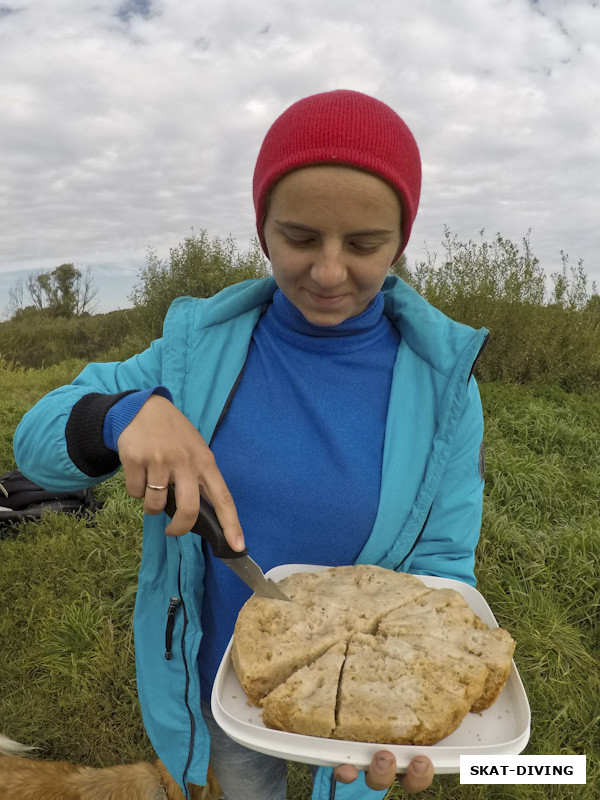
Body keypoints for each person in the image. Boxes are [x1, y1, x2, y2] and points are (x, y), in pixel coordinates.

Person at [13, 89, 489, 800]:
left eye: (363, 245)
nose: (329, 272)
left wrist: (421, 690)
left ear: (402, 239)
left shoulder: (446, 389)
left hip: (368, 708)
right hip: (222, 689)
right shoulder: (192, 353)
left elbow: (444, 570)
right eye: (300, 238)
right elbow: (36, 441)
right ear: (263, 229)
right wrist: (123, 414)